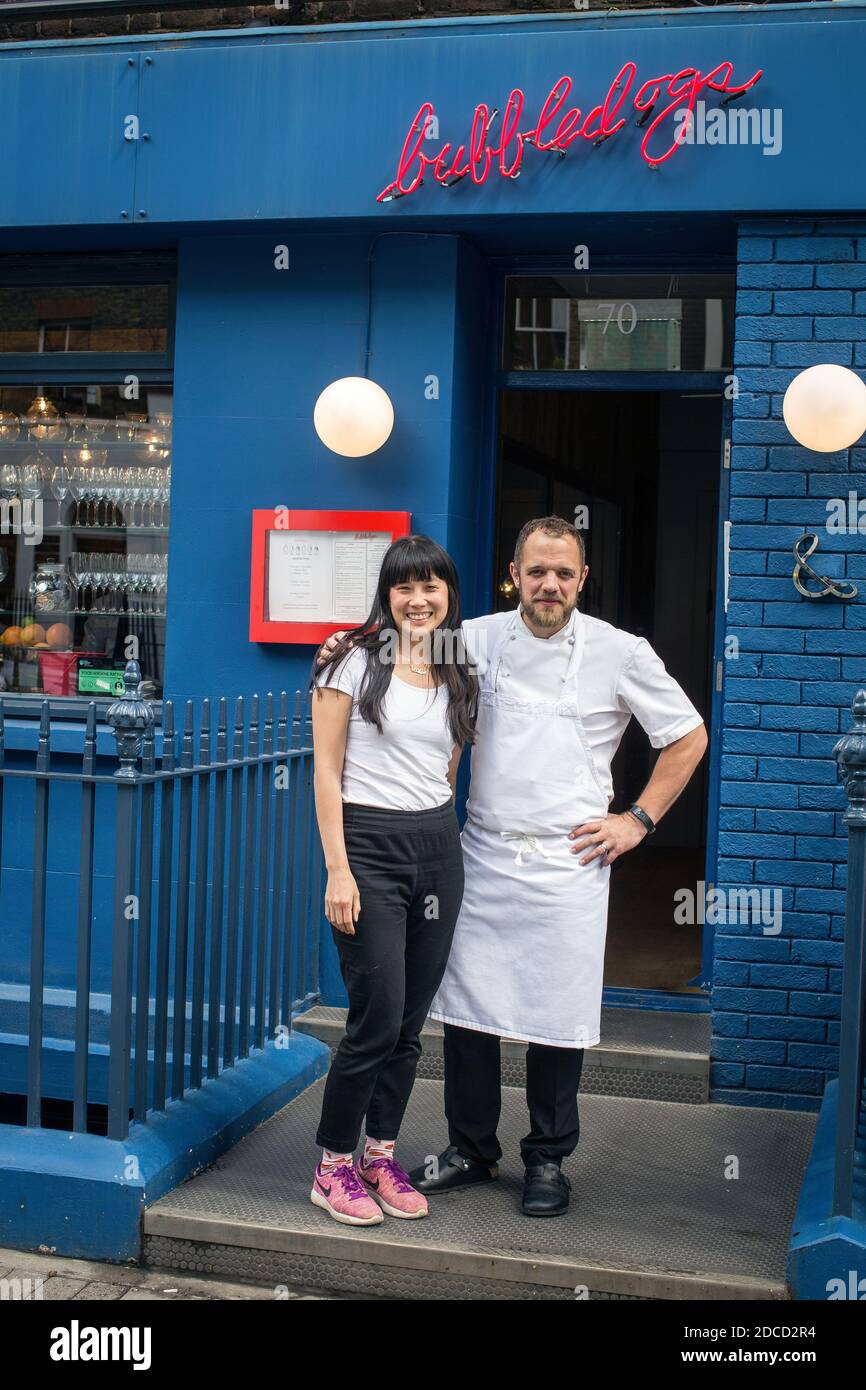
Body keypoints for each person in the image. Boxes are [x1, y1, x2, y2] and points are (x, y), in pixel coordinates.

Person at [320, 515, 707, 1219]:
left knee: (555, 1017)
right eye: (536, 571)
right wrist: (345, 640)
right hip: (482, 849)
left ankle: (548, 1158)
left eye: (563, 572)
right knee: (471, 1011)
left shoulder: (622, 652)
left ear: (582, 579)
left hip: (569, 860)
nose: (549, 584)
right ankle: (471, 1146)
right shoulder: (473, 638)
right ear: (515, 575)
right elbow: (390, 642)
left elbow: (686, 736)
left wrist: (637, 820)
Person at [309, 534, 477, 1226]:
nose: (418, 599)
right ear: (388, 594)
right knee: (374, 1020)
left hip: (437, 847)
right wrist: (339, 870)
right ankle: (332, 1166)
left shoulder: (458, 664)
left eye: (430, 586)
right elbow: (325, 770)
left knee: (409, 1025)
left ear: (447, 596)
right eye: (404, 587)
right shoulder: (350, 661)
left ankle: (379, 1153)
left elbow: (449, 767)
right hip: (367, 849)